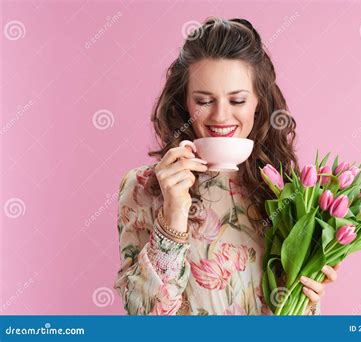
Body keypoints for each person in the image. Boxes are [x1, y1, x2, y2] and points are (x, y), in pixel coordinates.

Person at [114, 17, 340, 315]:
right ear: (185, 103)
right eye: (205, 100)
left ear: (259, 103)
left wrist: (307, 300)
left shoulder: (288, 193)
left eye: (237, 100)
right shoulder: (145, 187)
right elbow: (144, 319)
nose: (221, 116)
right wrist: (174, 212)